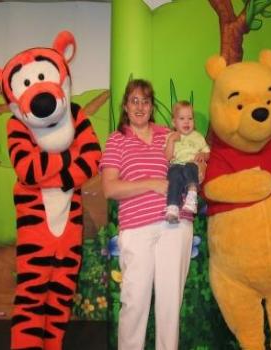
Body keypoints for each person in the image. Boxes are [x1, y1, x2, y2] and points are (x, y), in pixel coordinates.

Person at [100, 79, 200, 350]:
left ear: (151, 106)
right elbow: (110, 188)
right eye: (135, 100)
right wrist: (151, 183)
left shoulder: (168, 134)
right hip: (136, 228)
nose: (140, 106)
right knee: (134, 300)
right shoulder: (116, 139)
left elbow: (194, 157)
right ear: (125, 105)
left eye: (145, 101)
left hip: (175, 225)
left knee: (170, 304)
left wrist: (199, 161)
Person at [164, 101, 210, 223]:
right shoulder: (170, 136)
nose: (186, 122)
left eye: (190, 118)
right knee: (173, 173)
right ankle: (172, 207)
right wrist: (171, 141)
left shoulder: (198, 136)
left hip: (193, 164)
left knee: (190, 166)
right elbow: (167, 157)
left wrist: (203, 155)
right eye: (182, 118)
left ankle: (192, 195)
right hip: (177, 165)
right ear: (174, 122)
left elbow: (208, 153)